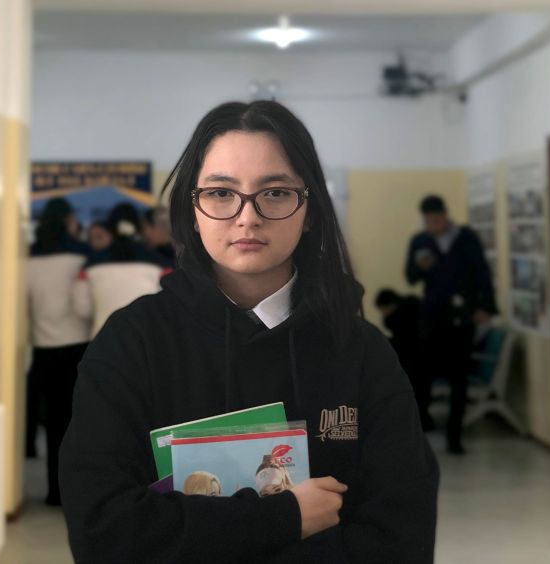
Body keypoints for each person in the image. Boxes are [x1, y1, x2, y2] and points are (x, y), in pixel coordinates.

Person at [59, 100, 439, 563]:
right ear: (192, 209)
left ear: (310, 210)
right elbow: (104, 532)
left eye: (275, 192)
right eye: (221, 192)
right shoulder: (132, 343)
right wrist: (284, 518)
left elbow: (401, 535)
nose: (247, 217)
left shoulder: (361, 352)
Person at [405, 195, 497, 454]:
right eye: (427, 221)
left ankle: (455, 436)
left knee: (459, 378)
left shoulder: (466, 238)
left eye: (436, 220)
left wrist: (485, 307)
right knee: (422, 375)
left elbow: (483, 273)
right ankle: (421, 428)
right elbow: (410, 277)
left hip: (462, 318)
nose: (432, 225)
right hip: (431, 318)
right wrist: (420, 267)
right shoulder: (420, 241)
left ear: (445, 216)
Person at [26, 197, 91, 505]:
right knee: (79, 424)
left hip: (43, 349)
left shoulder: (28, 258)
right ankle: (76, 490)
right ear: (68, 221)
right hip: (79, 348)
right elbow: (85, 306)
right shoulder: (80, 257)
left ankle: (54, 491)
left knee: (53, 423)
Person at [72, 203, 166, 337]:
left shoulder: (90, 265)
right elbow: (167, 307)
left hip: (104, 340)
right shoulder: (159, 263)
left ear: (110, 229)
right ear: (139, 227)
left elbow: (82, 309)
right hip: (145, 341)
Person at [374, 289, 427, 426]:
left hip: (417, 359)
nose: (383, 314)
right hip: (423, 356)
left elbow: (404, 341)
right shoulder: (413, 307)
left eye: (383, 310)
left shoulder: (398, 318)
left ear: (389, 305)